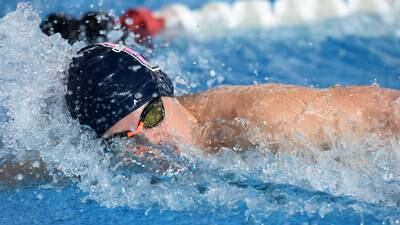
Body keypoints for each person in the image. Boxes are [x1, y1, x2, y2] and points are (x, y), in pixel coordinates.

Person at [65, 43, 400, 154]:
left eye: (152, 118)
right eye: (124, 140)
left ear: (164, 92)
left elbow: (387, 111)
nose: (153, 142)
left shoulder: (261, 120)